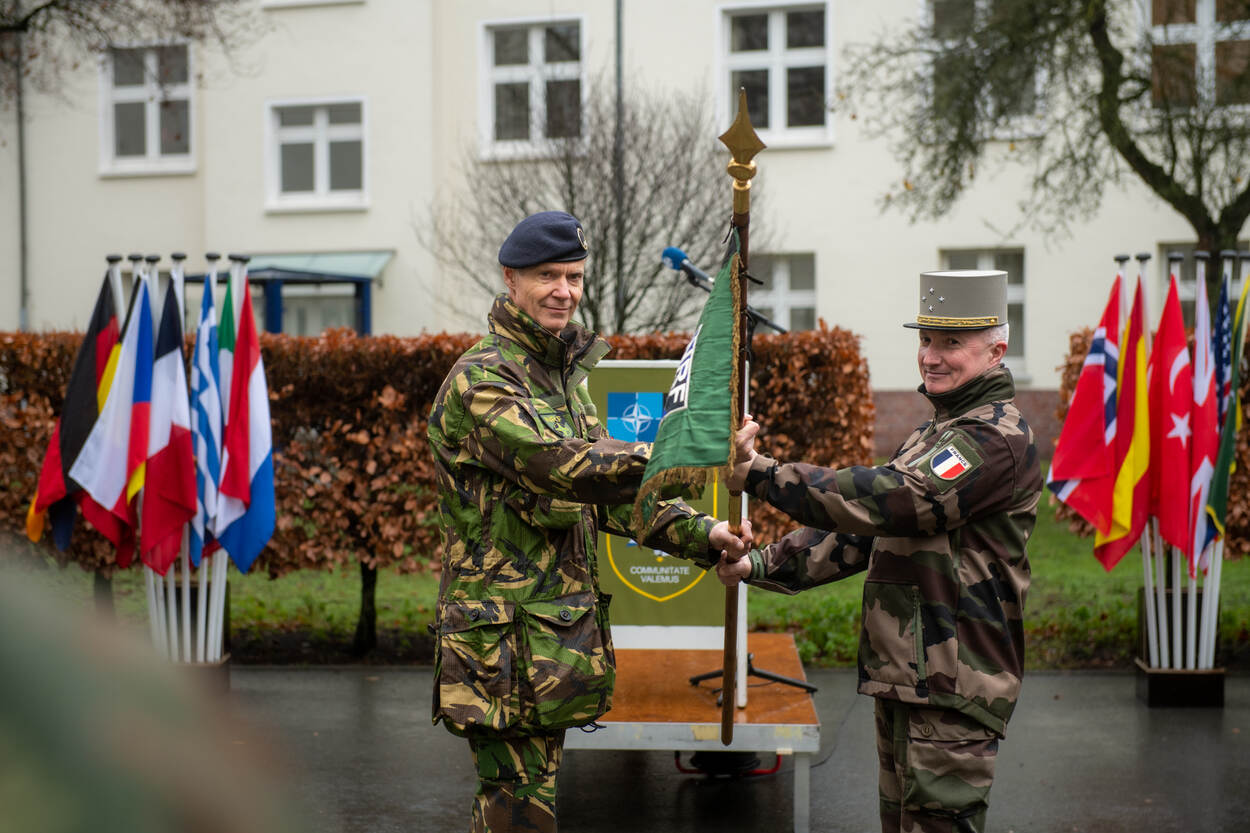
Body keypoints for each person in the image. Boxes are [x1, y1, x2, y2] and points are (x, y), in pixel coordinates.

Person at [428, 210, 750, 833]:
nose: (564, 291)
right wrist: (690, 447)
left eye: (573, 277)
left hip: (551, 638)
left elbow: (611, 498)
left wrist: (704, 534)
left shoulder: (562, 382)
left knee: (531, 806)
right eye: (547, 276)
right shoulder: (482, 379)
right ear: (510, 279)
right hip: (501, 645)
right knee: (517, 812)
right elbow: (560, 466)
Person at [718, 269, 1041, 833]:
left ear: (996, 351)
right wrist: (761, 562)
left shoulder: (994, 439)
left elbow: (895, 500)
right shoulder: (936, 433)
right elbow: (863, 534)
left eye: (951, 343)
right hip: (910, 678)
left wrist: (764, 475)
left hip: (951, 685)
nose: (931, 357)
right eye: (926, 339)